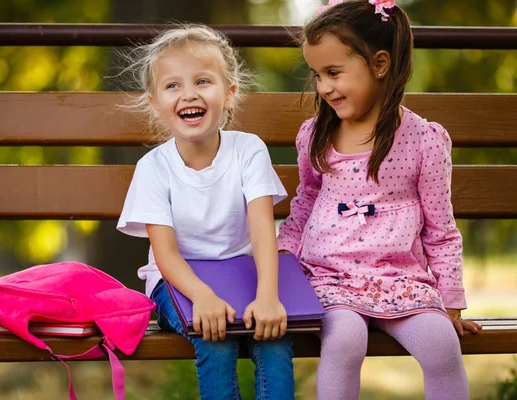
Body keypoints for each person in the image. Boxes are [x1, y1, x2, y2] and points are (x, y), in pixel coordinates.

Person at [276, 1, 481, 399]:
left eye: (334, 73)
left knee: (441, 345)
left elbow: (441, 229)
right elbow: (306, 201)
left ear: (380, 64)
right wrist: (285, 260)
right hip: (329, 275)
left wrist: (450, 302)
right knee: (345, 341)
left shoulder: (424, 140)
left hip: (400, 277)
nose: (323, 87)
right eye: (317, 75)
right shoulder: (316, 134)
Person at [116, 25, 295, 400]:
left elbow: (263, 229)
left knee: (276, 342)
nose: (189, 94)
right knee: (215, 338)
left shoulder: (249, 150)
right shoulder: (153, 167)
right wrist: (202, 296)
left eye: (202, 81)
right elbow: (164, 254)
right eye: (173, 86)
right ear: (155, 104)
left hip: (245, 274)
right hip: (179, 283)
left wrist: (267, 296)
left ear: (230, 94)